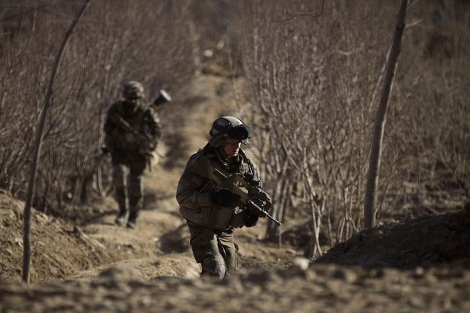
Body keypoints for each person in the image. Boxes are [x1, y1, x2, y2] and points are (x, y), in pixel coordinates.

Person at [176, 116, 269, 279]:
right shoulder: (200, 163)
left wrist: (249, 216)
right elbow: (183, 197)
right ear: (219, 141)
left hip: (226, 225)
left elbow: (252, 200)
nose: (237, 146)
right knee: (215, 270)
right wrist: (212, 198)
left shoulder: (248, 168)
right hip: (201, 223)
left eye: (239, 142)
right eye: (232, 142)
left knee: (230, 276)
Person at [103, 81, 162, 229]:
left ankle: (133, 216)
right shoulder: (116, 110)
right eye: (130, 99)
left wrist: (149, 143)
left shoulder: (147, 112)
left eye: (136, 99)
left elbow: (157, 131)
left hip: (138, 153)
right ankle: (122, 210)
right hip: (120, 151)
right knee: (118, 176)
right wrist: (122, 134)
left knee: (136, 185)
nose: (133, 102)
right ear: (124, 97)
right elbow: (107, 129)